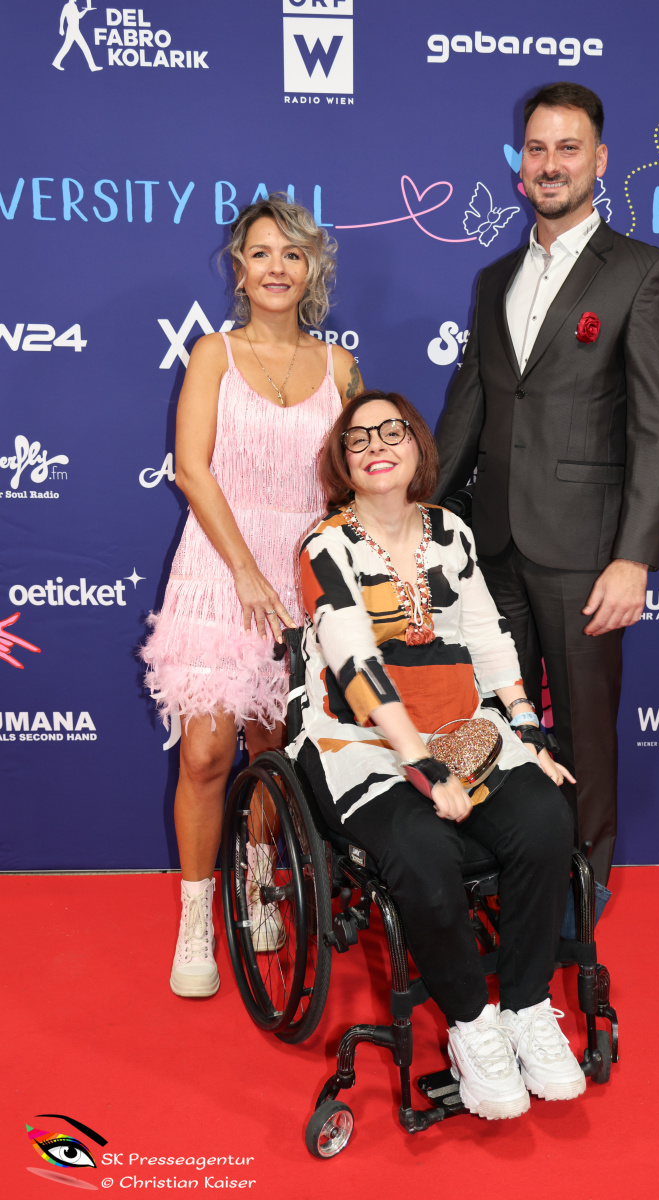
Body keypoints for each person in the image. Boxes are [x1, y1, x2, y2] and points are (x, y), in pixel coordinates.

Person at [290, 390, 585, 1120]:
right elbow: (354, 663)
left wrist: (526, 728)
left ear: (419, 446)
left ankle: (525, 1007)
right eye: (359, 439)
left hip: (463, 727)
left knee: (546, 817)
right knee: (423, 851)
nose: (377, 446)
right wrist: (419, 763)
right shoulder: (325, 547)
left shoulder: (450, 531)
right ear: (342, 463)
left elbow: (486, 634)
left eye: (392, 432)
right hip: (360, 742)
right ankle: (472, 1026)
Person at [434, 82, 659, 886]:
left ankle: (581, 898)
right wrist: (416, 522)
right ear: (520, 166)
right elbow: (467, 412)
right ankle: (508, 879)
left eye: (568, 148)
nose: (550, 164)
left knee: (582, 735)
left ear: (600, 160)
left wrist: (633, 559)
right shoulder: (494, 279)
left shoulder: (644, 273)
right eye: (537, 149)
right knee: (490, 722)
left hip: (586, 554)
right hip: (492, 547)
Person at [141, 196, 363, 998]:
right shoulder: (214, 354)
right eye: (261, 253)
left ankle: (258, 882)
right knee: (206, 753)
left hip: (300, 575)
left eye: (292, 254)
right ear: (239, 270)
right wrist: (242, 568)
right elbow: (192, 469)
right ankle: (196, 917)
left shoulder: (340, 367)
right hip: (220, 569)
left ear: (312, 271)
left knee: (273, 752)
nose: (276, 267)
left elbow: (352, 478)